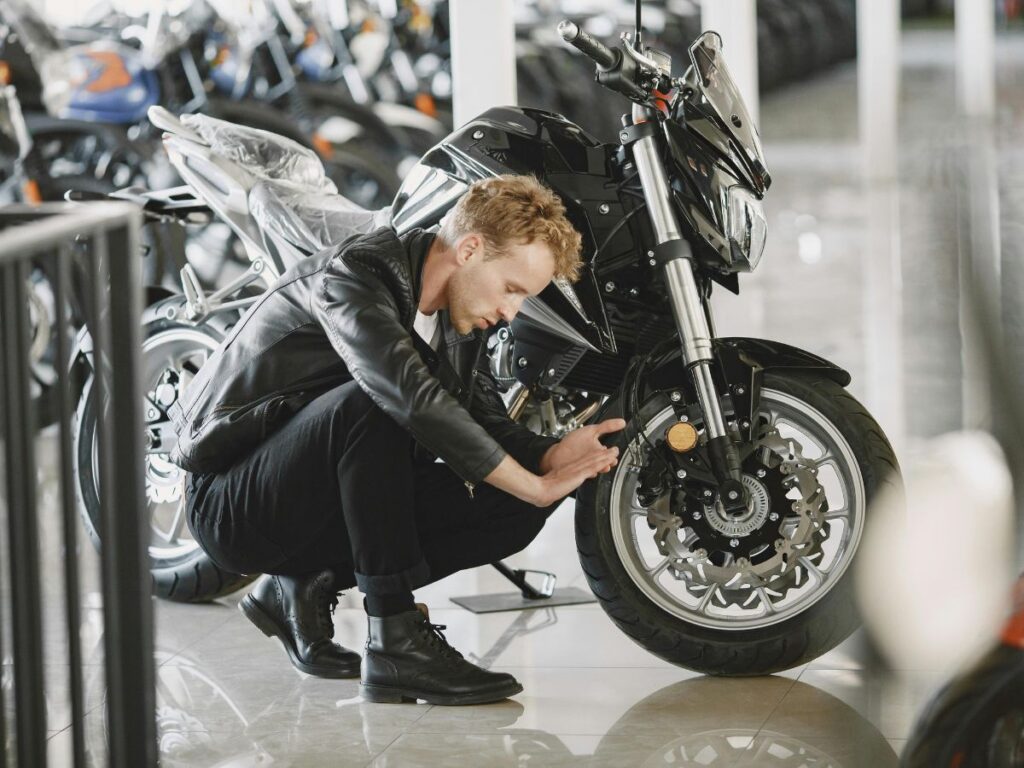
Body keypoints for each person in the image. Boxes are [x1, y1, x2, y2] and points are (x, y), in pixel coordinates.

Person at [171, 174, 625, 706]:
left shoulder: (457, 320)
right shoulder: (352, 276)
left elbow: (481, 418)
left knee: (514, 506)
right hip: (231, 501)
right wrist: (528, 481)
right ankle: (395, 639)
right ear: (470, 249)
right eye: (512, 290)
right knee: (376, 403)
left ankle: (301, 582)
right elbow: (405, 397)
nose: (511, 313)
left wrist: (549, 456)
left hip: (314, 501)